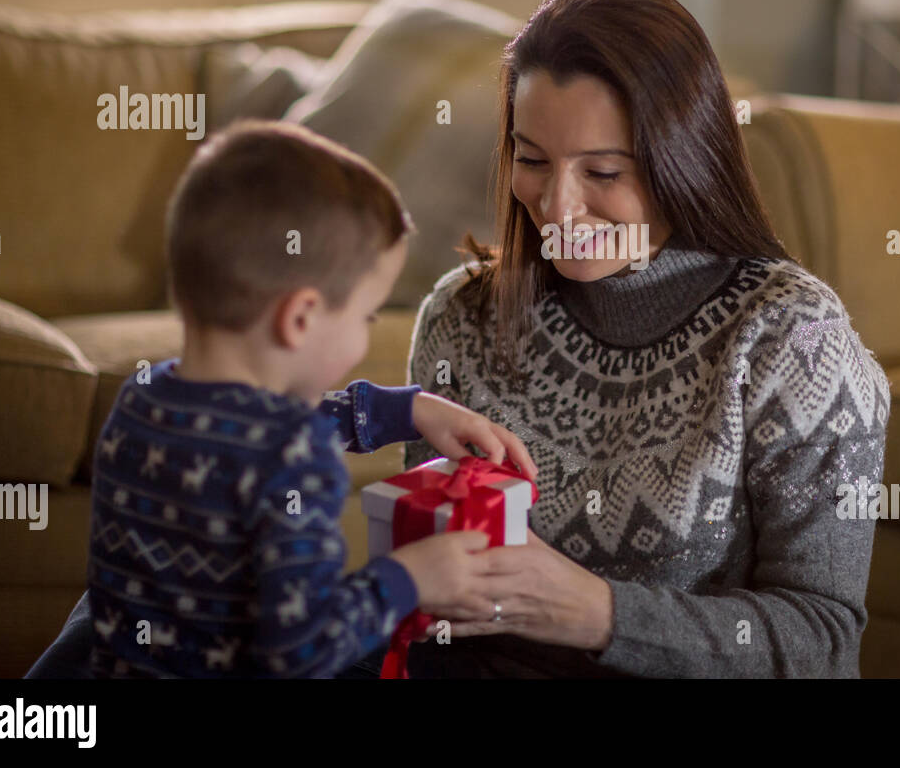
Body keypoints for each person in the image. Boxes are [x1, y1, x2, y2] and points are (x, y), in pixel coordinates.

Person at [357, 0, 893, 677]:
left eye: (603, 171)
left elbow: (823, 641)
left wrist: (598, 613)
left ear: (686, 161)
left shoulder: (793, 340)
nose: (558, 207)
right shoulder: (460, 317)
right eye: (531, 160)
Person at [27, 120, 535, 678]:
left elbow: (242, 439)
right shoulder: (295, 455)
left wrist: (404, 410)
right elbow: (301, 652)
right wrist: (410, 577)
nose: (366, 333)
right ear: (299, 318)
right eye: (364, 315)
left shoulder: (142, 398)